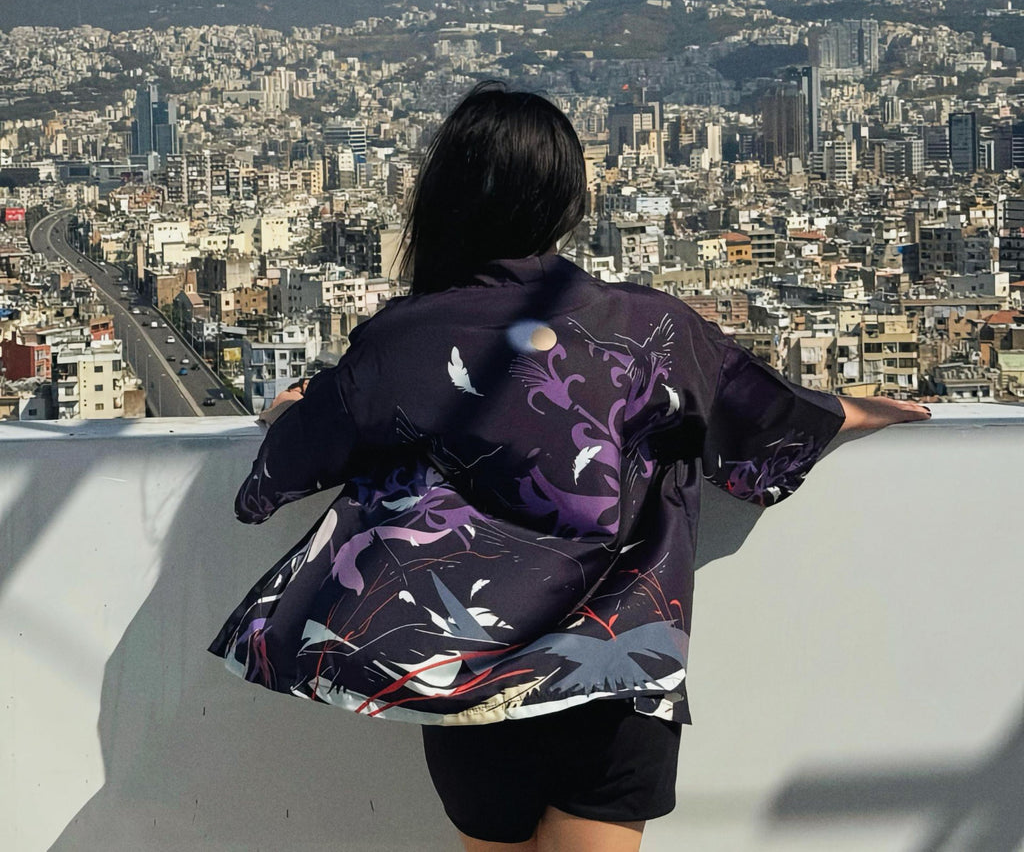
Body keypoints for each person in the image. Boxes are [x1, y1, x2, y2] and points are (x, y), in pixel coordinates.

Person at [209, 83, 930, 852]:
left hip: (468, 679)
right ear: (566, 200)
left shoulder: (404, 339)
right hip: (618, 669)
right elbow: (762, 421)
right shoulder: (652, 327)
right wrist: (849, 408)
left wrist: (288, 410)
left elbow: (277, 477)